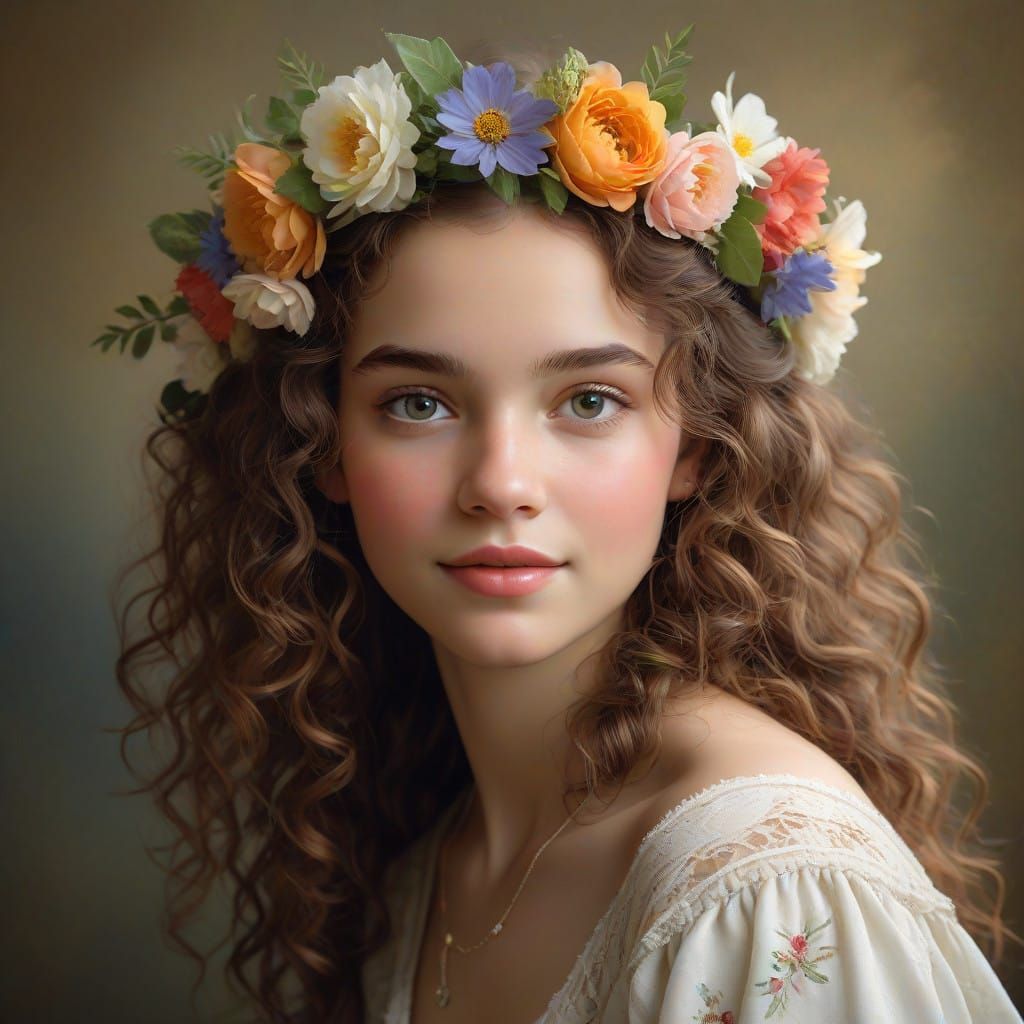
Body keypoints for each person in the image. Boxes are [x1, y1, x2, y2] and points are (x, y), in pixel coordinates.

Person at [101, 30, 1023, 1024]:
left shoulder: (766, 887)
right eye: (418, 403)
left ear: (695, 446)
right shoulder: (421, 873)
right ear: (322, 445)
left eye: (588, 401)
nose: (501, 485)